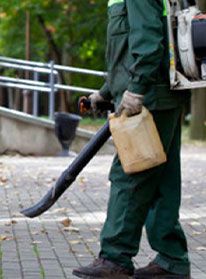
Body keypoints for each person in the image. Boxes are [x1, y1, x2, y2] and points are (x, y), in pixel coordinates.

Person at [72, 0, 191, 278]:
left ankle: (115, 258)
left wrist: (136, 89)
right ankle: (172, 260)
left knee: (130, 175)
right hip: (160, 93)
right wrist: (105, 92)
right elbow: (126, 48)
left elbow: (148, 40)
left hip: (149, 96)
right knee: (162, 179)